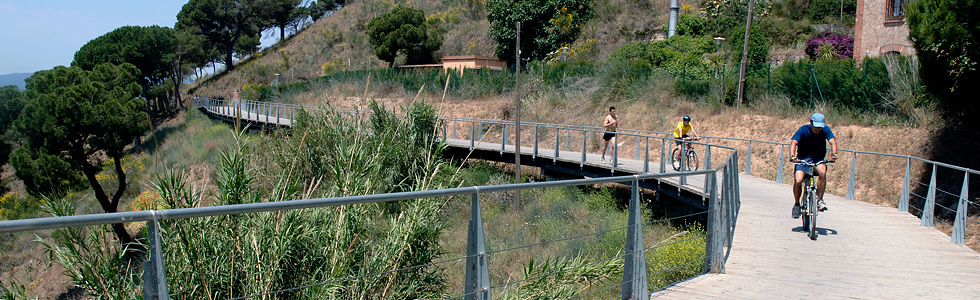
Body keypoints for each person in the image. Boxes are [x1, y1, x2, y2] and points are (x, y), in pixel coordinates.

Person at [789, 112, 839, 219]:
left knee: (822, 172)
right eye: (816, 126)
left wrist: (834, 154)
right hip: (803, 160)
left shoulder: (826, 130)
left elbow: (833, 142)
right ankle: (797, 204)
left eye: (820, 127)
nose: (818, 129)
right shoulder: (803, 129)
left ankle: (819, 200)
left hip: (818, 159)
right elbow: (794, 142)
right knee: (798, 180)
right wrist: (793, 156)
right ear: (811, 122)